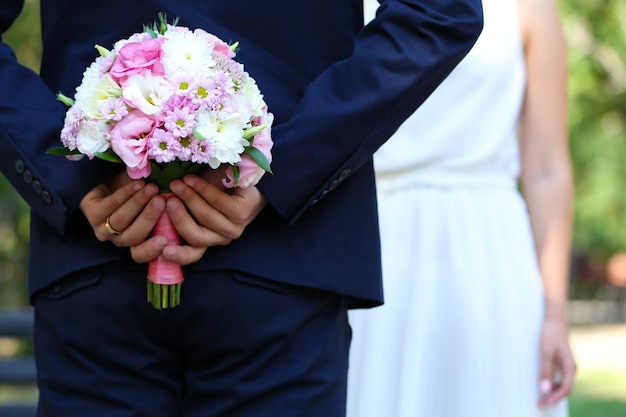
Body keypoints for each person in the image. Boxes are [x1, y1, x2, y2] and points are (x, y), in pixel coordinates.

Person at [0, 1, 482, 416]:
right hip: (280, 264)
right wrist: (283, 167)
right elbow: (439, 12)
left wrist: (63, 170)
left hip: (109, 256)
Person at [347, 0, 577, 415]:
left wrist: (556, 313)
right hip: (376, 234)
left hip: (489, 247)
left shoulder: (530, 7)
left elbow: (547, 169)